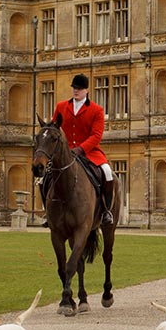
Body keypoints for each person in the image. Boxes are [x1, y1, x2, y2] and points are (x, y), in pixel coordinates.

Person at [53, 73, 115, 225]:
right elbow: (55, 129)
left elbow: (96, 135)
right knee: (45, 176)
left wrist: (81, 149)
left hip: (90, 153)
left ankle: (106, 211)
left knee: (107, 172)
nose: (76, 91)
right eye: (74, 88)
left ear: (87, 90)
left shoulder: (96, 110)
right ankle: (48, 211)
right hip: (65, 153)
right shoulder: (61, 106)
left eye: (79, 88)